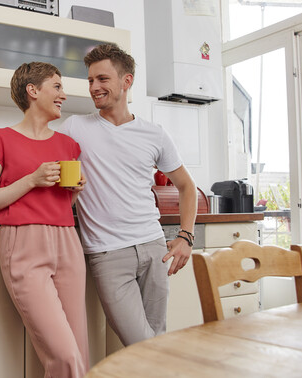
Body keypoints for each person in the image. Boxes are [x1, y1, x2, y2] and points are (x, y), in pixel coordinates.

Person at [59, 43, 198, 346]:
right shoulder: (74, 128)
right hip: (106, 253)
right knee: (142, 345)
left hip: (153, 247)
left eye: (102, 79)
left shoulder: (155, 134)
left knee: (155, 341)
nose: (94, 87)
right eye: (91, 81)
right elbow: (39, 158)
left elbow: (187, 187)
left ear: (127, 81)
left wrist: (186, 236)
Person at [0, 62, 89, 378]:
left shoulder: (69, 146)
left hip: (68, 243)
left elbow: (59, 202)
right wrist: (31, 179)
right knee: (63, 353)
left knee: (80, 351)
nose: (64, 95)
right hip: (23, 244)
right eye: (57, 86)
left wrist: (74, 191)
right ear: (33, 91)